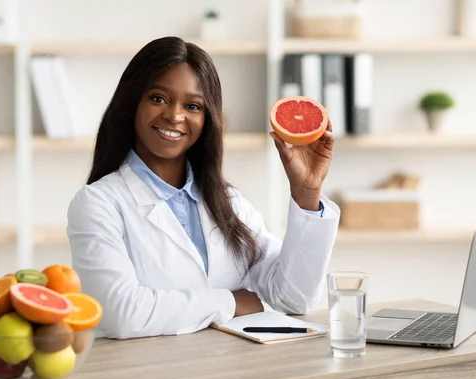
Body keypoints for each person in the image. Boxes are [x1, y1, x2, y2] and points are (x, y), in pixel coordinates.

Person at [66, 36, 340, 340]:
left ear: (207, 119)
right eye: (158, 98)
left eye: (193, 105)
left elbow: (292, 298)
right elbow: (120, 312)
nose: (175, 115)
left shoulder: (228, 202)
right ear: (132, 105)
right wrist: (231, 301)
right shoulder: (98, 203)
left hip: (226, 375)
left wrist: (306, 194)